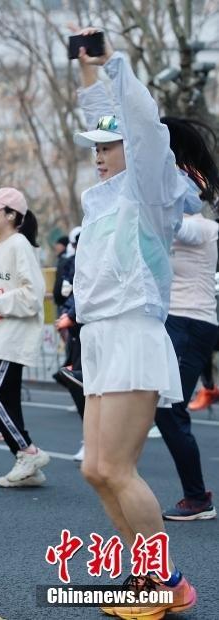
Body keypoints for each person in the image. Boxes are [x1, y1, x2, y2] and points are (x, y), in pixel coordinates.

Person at [71, 28, 209, 614]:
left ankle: (165, 584)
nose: (98, 154)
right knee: (95, 470)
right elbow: (110, 117)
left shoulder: (154, 188)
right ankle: (148, 576)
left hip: (133, 332)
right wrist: (86, 72)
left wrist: (113, 66)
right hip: (100, 335)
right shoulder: (105, 197)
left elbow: (142, 127)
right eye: (95, 147)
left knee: (120, 469)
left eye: (108, 146)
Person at [153, 123, 219, 520]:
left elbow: (179, 224)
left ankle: (197, 498)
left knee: (170, 410)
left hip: (191, 322)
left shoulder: (203, 227)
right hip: (175, 320)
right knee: (161, 408)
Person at [0, 188, 48, 487]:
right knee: (8, 401)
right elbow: (2, 294)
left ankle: (28, 452)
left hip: (13, 336)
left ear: (12, 215)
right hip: (0, 333)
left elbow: (32, 296)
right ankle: (27, 465)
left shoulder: (19, 245)